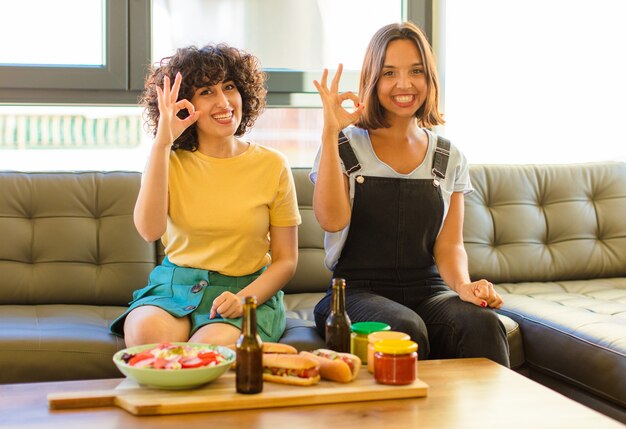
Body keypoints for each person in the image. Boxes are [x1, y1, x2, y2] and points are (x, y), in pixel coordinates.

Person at [310, 22, 510, 366]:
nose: (404, 84)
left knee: (482, 324)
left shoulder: (449, 157)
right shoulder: (343, 146)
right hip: (354, 293)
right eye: (389, 73)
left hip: (428, 290)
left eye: (416, 71)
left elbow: (450, 245)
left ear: (429, 78)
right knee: (403, 328)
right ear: (373, 80)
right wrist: (329, 133)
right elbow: (331, 220)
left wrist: (463, 286)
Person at [110, 44, 301, 347]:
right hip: (175, 288)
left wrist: (244, 299)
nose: (224, 102)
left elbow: (286, 260)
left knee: (209, 352)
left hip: (244, 292)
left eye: (229, 87)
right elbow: (149, 230)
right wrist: (162, 143)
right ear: (186, 104)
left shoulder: (272, 164)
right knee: (148, 339)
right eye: (207, 92)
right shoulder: (168, 160)